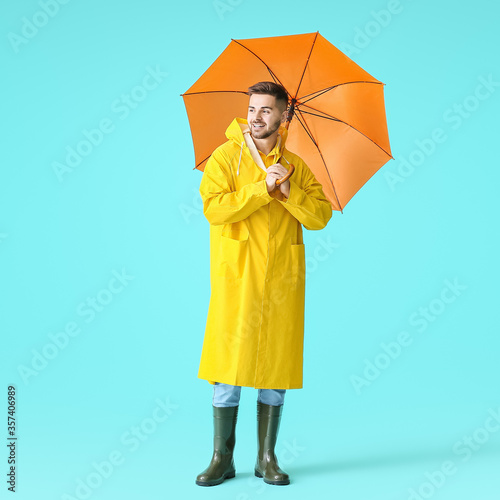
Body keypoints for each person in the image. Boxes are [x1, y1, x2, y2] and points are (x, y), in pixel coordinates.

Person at [195, 81, 332, 487]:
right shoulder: (225, 158)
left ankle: (266, 458)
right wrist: (262, 188)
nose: (256, 117)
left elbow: (321, 216)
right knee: (228, 366)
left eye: (266, 110)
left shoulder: (296, 166)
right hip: (237, 277)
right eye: (252, 109)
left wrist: (288, 191)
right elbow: (214, 209)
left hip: (280, 283)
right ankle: (222, 457)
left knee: (275, 363)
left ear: (284, 116)